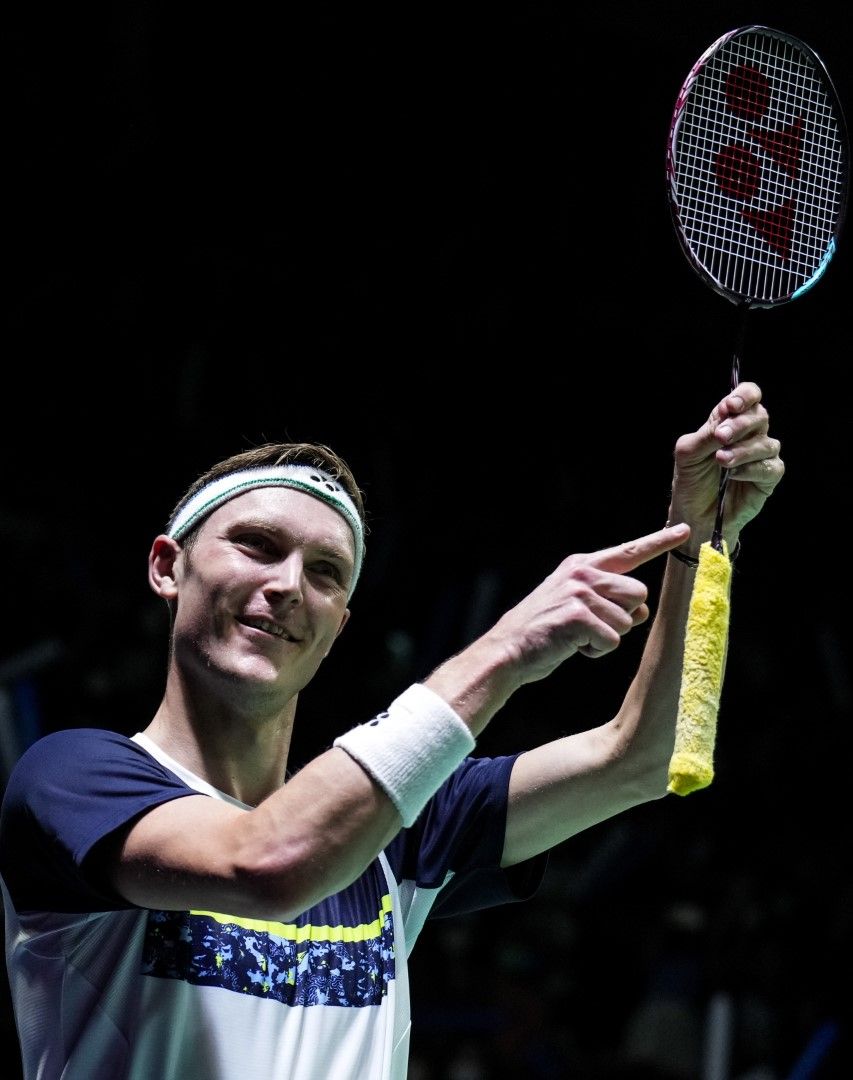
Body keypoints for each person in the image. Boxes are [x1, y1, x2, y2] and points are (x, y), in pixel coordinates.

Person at [0, 381, 783, 1080]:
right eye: (258, 546)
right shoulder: (73, 779)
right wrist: (503, 650)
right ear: (167, 567)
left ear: (338, 624)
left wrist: (703, 542)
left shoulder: (399, 829)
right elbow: (265, 862)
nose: (288, 586)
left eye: (325, 573)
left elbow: (641, 757)